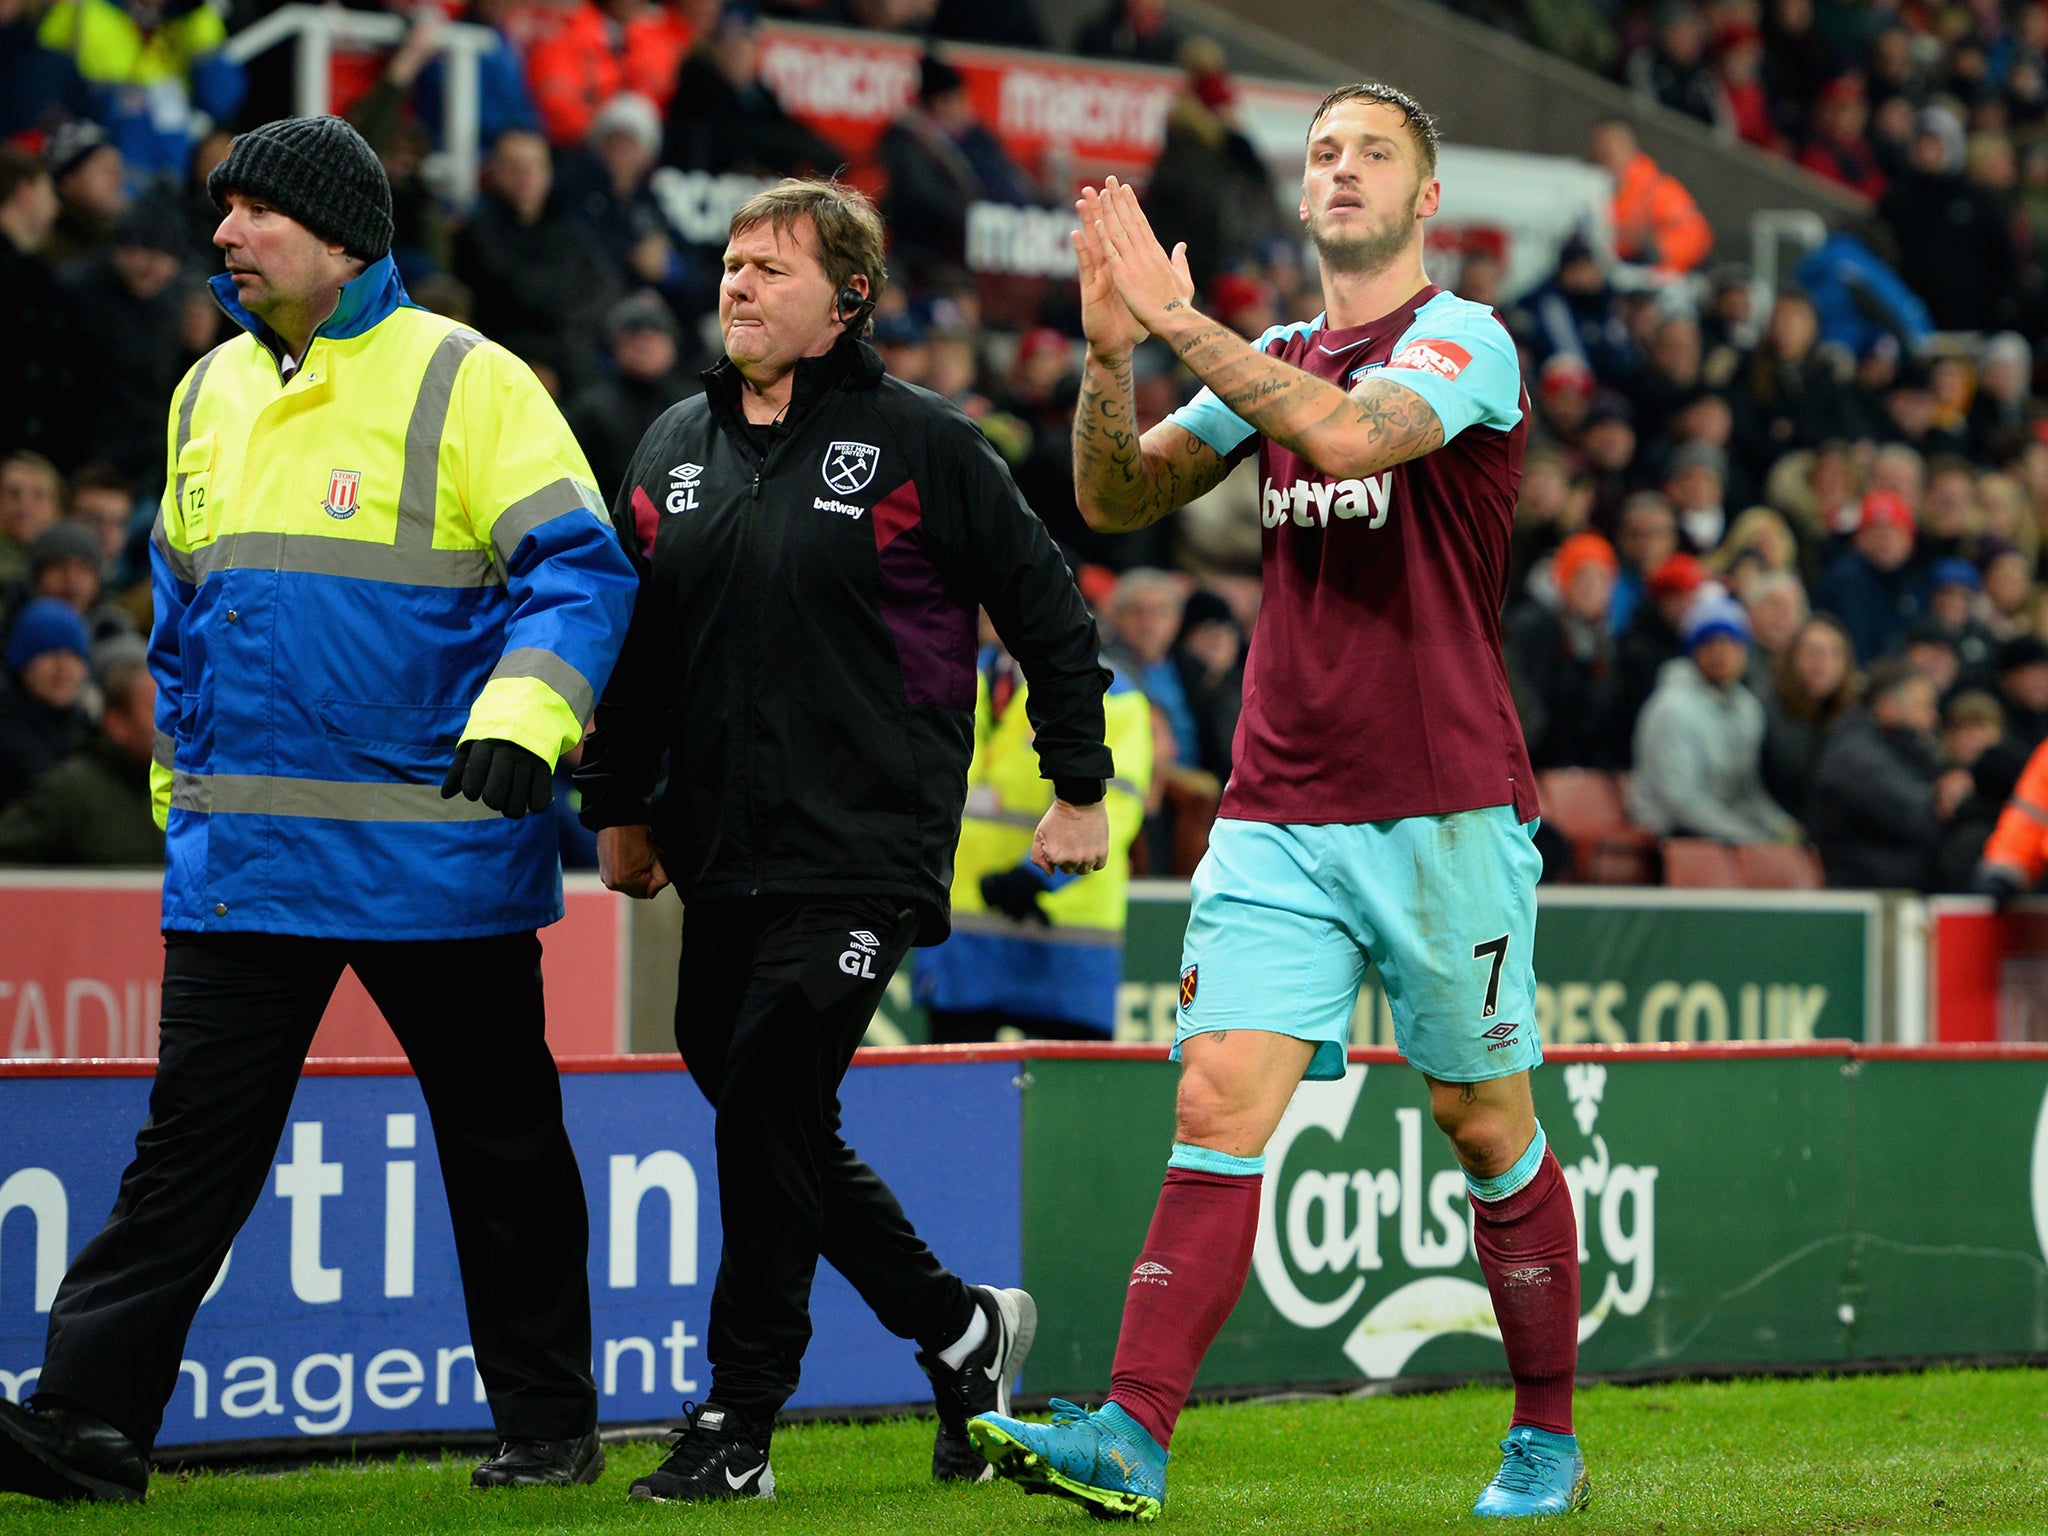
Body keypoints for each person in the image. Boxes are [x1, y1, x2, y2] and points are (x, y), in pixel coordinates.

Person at [968, 82, 1589, 1521]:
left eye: (1376, 153)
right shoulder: (1274, 352)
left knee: (1484, 1121)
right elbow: (1119, 496)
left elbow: (1358, 435)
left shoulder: (1467, 341)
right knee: (1215, 1097)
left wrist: (1182, 327)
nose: (1345, 170)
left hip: (1443, 809)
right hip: (1276, 810)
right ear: (1301, 198)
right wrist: (1111, 354)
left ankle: (1545, 1430)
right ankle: (1132, 1433)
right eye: (1324, 154)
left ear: (1427, 199)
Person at [0, 116, 638, 1504]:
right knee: (186, 1154)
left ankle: (547, 1424)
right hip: (249, 863)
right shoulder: (201, 393)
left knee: (502, 1154)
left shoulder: (474, 381)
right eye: (220, 213)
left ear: (343, 236)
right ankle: (87, 1426)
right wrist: (185, 791)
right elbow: (178, 618)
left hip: (438, 855)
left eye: (254, 215)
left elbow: (582, 577)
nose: (222, 236)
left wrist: (524, 719)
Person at [575, 177, 1115, 1504]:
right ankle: (960, 1330)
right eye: (732, 262)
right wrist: (623, 806)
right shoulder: (669, 449)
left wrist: (1080, 784)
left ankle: (738, 1424)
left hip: (867, 849)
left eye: (772, 266)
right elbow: (636, 653)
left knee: (765, 1088)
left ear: (847, 300)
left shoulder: (926, 445)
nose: (739, 283)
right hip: (721, 850)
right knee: (770, 1105)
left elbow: (1050, 614)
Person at [916, 629, 1154, 1041]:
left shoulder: (1111, 694)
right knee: (959, 1098)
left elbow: (1116, 805)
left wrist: (1039, 873)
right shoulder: (951, 677)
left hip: (1065, 942)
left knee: (1067, 1101)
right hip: (963, 941)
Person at [1628, 589, 1801, 843]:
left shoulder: (1748, 707)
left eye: (1732, 643)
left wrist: (1779, 827)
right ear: (1693, 650)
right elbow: (1679, 801)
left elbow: (1748, 791)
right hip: (1669, 836)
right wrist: (1749, 838)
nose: (1722, 653)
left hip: (1725, 828)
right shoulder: (1671, 707)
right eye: (1710, 642)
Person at [1804, 657, 1966, 889]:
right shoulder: (1856, 755)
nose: (1933, 717)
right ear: (1887, 705)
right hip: (1862, 890)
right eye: (1923, 706)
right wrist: (1946, 800)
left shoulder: (1895, 746)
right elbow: (1916, 815)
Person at [0, 637, 162, 864]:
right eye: (156, 709)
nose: (173, 724)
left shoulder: (187, 789)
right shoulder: (71, 791)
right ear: (117, 724)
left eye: (175, 708)